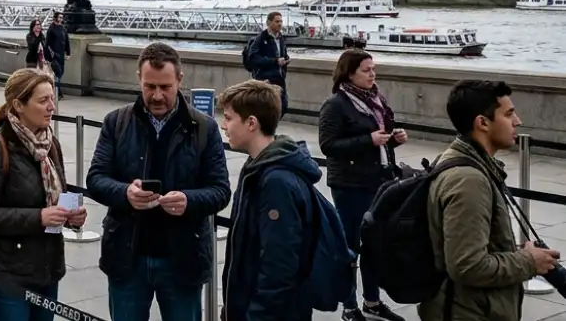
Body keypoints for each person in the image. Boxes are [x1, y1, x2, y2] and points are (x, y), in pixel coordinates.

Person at [85, 42, 231, 321]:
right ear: (138, 78)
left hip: (183, 260)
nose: (157, 95)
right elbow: (96, 178)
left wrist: (189, 200)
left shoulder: (205, 128)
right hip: (127, 257)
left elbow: (221, 190)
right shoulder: (116, 122)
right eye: (149, 86)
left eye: (165, 87)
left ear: (180, 80)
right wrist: (125, 193)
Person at [418, 80, 559, 321]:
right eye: (509, 114)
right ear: (482, 123)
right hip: (469, 312)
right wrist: (528, 261)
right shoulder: (468, 180)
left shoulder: (463, 161)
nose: (518, 121)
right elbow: (468, 266)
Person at [0, 68, 82, 321]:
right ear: (18, 105)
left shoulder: (51, 144)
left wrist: (71, 217)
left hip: (47, 269)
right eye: (43, 100)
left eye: (52, 98)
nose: (51, 106)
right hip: (6, 274)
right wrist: (39, 217)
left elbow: (56, 196)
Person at [218, 79, 319, 321]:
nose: (223, 125)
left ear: (251, 123)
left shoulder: (275, 182)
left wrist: (256, 315)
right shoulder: (257, 166)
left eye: (229, 118)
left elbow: (279, 265)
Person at [318, 49, 406, 321]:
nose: (372, 74)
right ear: (349, 73)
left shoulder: (376, 100)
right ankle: (349, 306)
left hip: (378, 181)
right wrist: (369, 140)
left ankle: (372, 302)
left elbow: (380, 138)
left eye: (373, 69)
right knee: (351, 246)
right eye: (366, 70)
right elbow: (328, 145)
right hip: (350, 185)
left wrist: (393, 139)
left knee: (373, 245)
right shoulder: (335, 104)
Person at [246, 11, 289, 115]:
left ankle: (271, 124)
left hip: (279, 78)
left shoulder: (281, 38)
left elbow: (283, 54)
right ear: (269, 23)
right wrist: (275, 61)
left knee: (283, 106)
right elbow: (253, 58)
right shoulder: (261, 38)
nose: (280, 24)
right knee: (266, 108)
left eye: (281, 21)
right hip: (265, 79)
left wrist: (286, 60)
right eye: (277, 21)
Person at [43, 12, 70, 98]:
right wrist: (47, 57)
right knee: (58, 72)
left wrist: (68, 52)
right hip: (54, 55)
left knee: (61, 72)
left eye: (62, 18)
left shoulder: (63, 28)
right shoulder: (51, 29)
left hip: (61, 54)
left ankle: (57, 91)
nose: (61, 19)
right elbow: (47, 44)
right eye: (60, 17)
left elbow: (66, 41)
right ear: (55, 18)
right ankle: (58, 93)